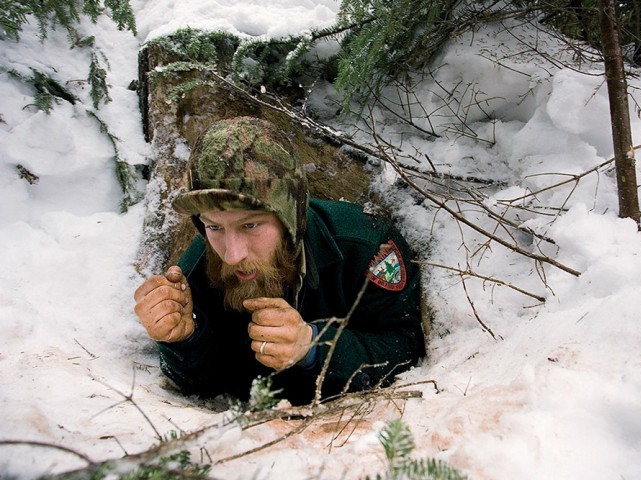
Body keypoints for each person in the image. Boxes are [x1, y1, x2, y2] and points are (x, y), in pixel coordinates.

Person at [133, 116, 425, 405]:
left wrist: (313, 346)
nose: (233, 255)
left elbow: (406, 348)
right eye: (214, 227)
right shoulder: (197, 267)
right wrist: (182, 339)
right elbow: (204, 386)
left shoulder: (365, 247)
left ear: (290, 218)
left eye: (250, 226)